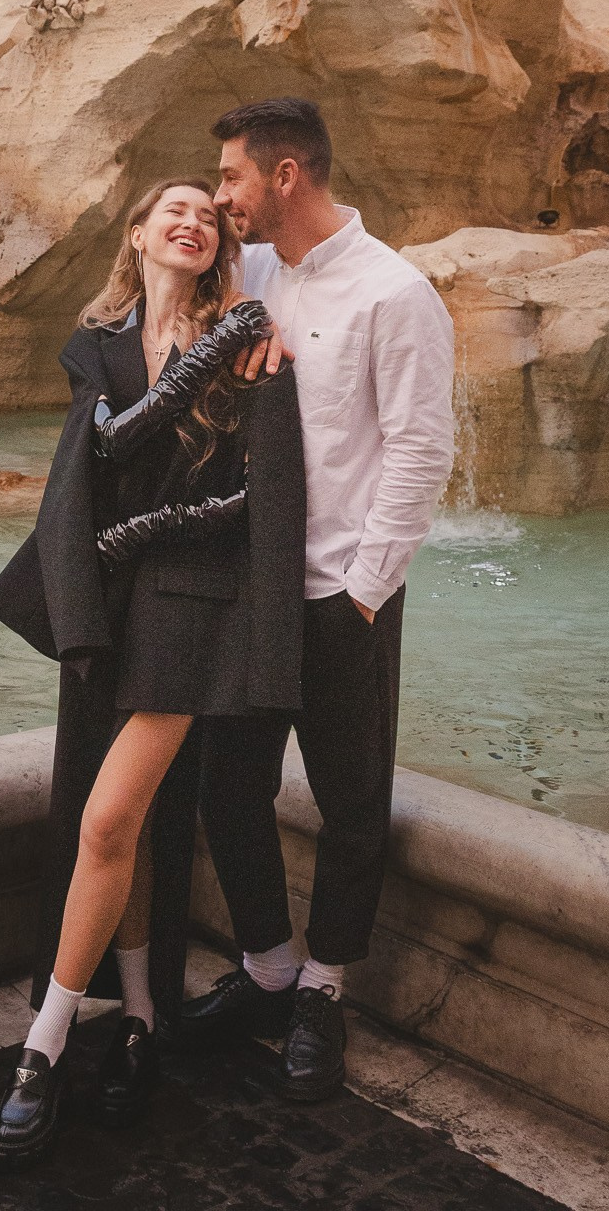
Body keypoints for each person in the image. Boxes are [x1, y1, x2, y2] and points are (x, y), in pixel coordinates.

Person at [0, 178, 306, 1168]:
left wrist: (267, 647)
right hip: (109, 614)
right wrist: (75, 621)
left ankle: (41, 1047)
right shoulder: (102, 350)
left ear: (217, 246)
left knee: (108, 819)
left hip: (191, 613)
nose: (192, 219)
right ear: (137, 234)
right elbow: (69, 492)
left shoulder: (251, 349)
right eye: (172, 208)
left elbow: (275, 502)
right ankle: (140, 1017)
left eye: (207, 214)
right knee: (130, 829)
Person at [181, 98, 455, 1102]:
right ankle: (266, 966)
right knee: (227, 785)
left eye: (232, 179)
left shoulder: (397, 291)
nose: (222, 197)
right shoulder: (252, 275)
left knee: (349, 805)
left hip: (344, 591)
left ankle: (325, 991)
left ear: (285, 174)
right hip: (253, 588)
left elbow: (422, 446)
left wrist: (367, 591)